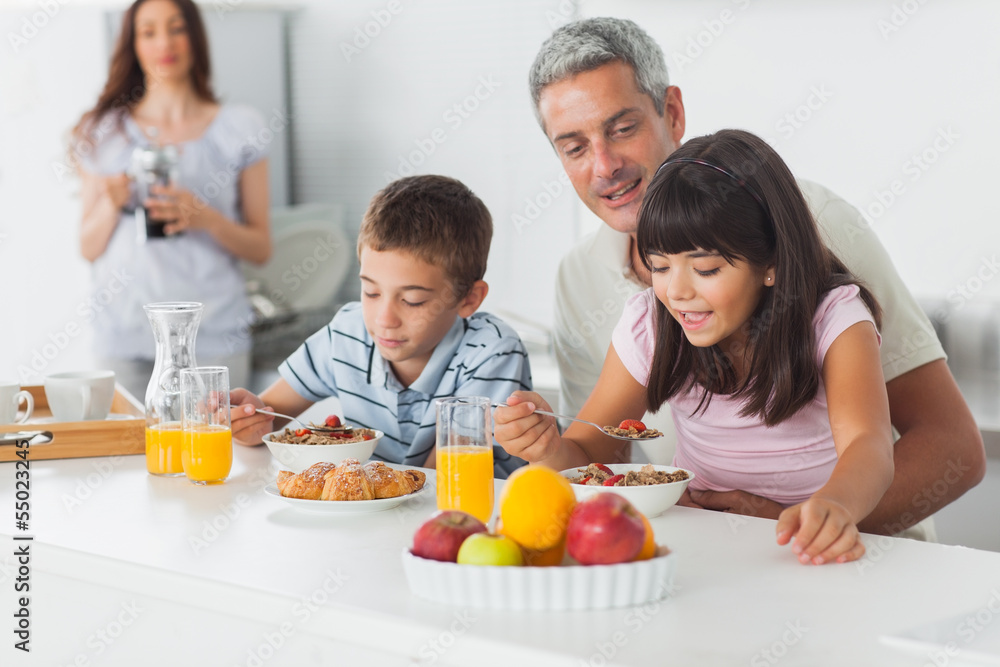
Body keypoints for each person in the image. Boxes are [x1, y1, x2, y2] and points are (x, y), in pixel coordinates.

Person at [517, 17, 984, 537]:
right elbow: (599, 459)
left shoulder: (810, 227)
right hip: (712, 556)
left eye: (622, 128)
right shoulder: (594, 288)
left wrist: (797, 526)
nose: (604, 166)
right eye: (575, 146)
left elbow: (951, 448)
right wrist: (545, 446)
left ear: (671, 113)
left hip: (855, 554)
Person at [498, 129, 895, 564]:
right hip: (702, 548)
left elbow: (868, 444)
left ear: (771, 264)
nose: (677, 291)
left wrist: (836, 506)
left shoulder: (833, 319)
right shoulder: (650, 323)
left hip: (807, 551)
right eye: (661, 266)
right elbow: (588, 455)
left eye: (705, 268)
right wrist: (547, 448)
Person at [231, 175, 532, 478]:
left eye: (413, 301)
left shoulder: (491, 351)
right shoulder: (348, 333)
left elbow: (441, 484)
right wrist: (248, 420)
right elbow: (268, 418)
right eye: (371, 293)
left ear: (468, 298)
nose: (383, 320)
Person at [71, 0, 272, 399]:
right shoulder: (104, 132)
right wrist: (110, 203)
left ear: (194, 37)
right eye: (148, 32)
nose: (165, 42)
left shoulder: (240, 128)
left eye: (176, 28)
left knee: (220, 455)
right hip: (125, 335)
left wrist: (206, 218)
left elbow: (261, 249)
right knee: (130, 458)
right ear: (133, 44)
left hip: (213, 336)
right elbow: (88, 247)